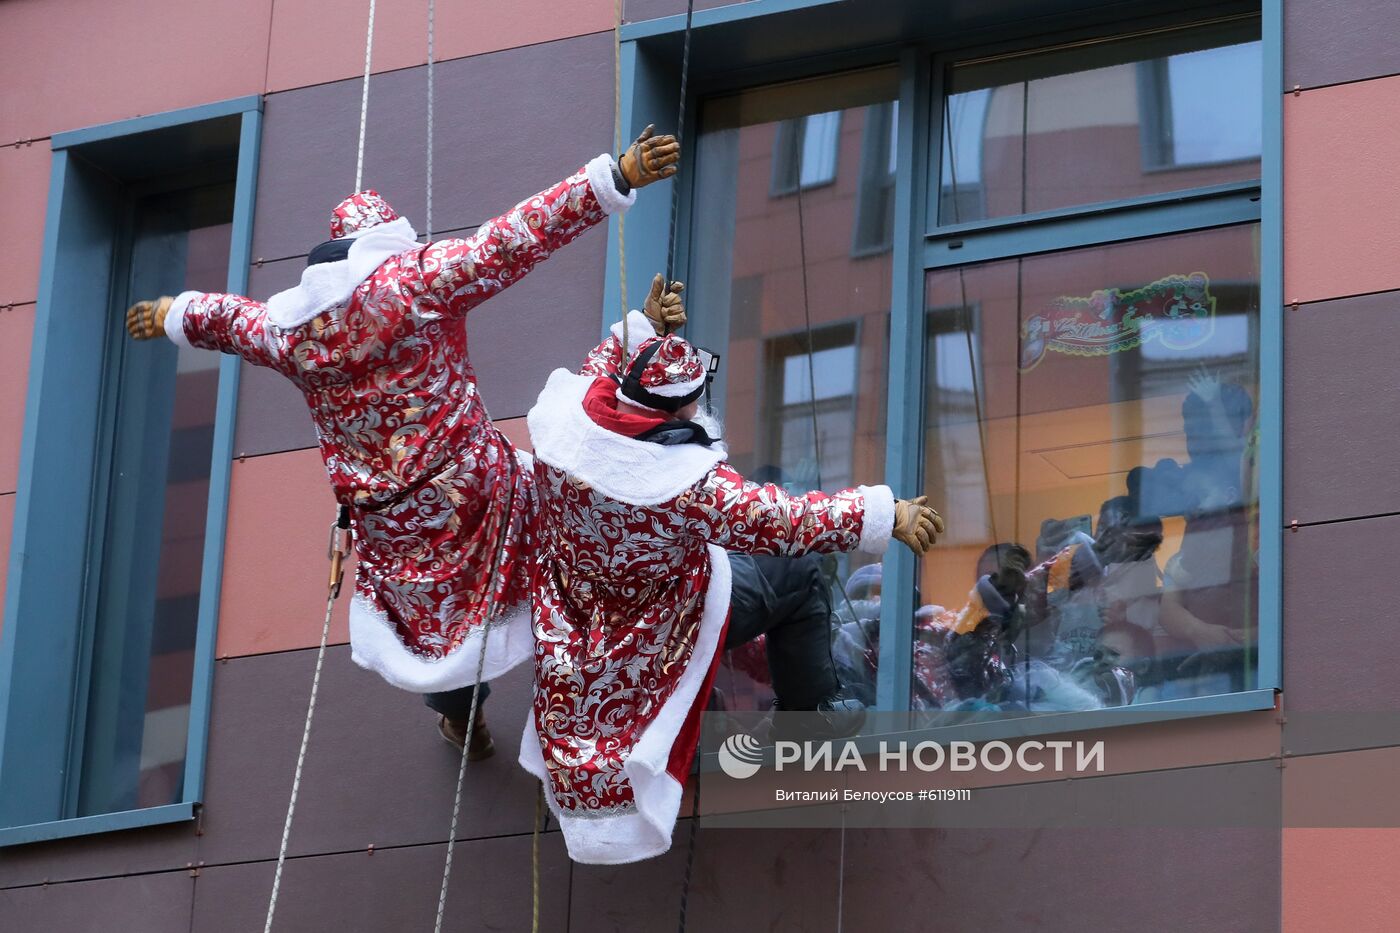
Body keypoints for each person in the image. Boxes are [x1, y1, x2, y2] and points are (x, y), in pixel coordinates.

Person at [125, 129, 682, 753]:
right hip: (478, 493)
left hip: (392, 527)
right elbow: (511, 240)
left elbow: (227, 320)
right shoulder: (412, 284)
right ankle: (616, 681)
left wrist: (173, 309)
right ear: (386, 242)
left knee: (432, 627)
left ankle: (460, 714)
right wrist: (615, 178)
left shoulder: (289, 330)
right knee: (575, 533)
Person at [519, 296, 943, 863]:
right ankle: (811, 717)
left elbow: (600, 368)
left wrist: (642, 333)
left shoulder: (567, 423)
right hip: (664, 625)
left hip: (574, 619)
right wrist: (885, 514)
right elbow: (784, 521)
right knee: (799, 571)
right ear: (682, 412)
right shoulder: (681, 485)